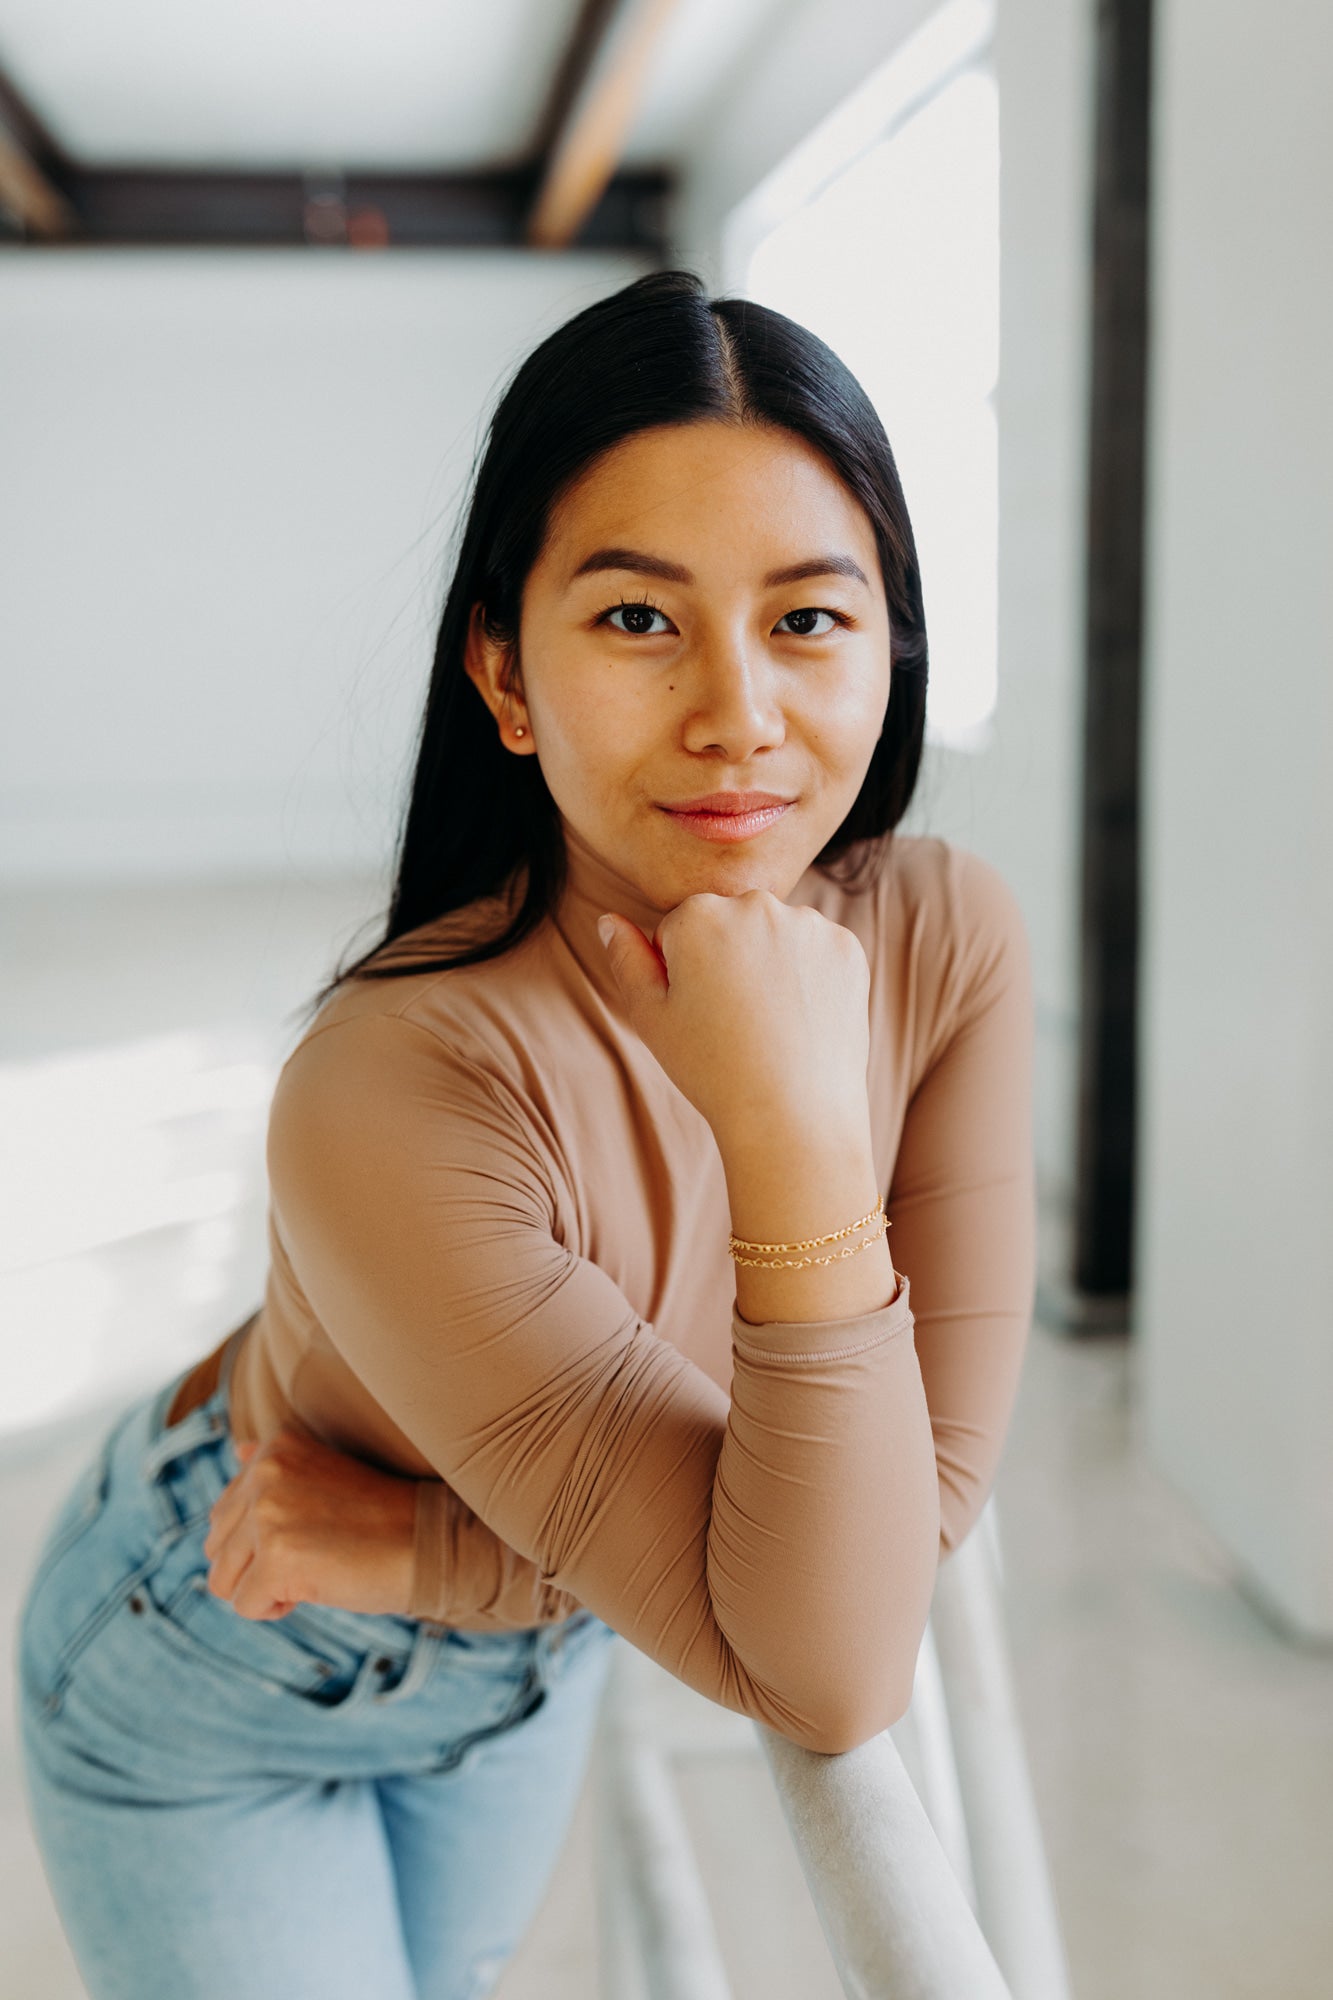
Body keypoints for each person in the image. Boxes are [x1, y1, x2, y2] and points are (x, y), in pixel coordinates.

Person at [13, 268, 1035, 2000]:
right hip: (230, 1636)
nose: (737, 713)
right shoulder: (391, 1081)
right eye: (638, 619)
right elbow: (825, 1646)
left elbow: (871, 1573)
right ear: (503, 667)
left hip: (510, 1641)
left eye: (807, 618)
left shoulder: (941, 935)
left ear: (890, 646)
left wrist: (436, 1553)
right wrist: (796, 1142)